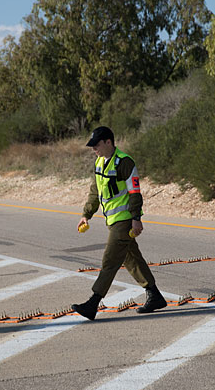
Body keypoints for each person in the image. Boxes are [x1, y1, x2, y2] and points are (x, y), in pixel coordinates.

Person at [72, 126, 167, 320]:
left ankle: (93, 303)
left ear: (108, 142)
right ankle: (154, 295)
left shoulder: (124, 162)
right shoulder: (99, 162)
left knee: (110, 260)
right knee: (131, 258)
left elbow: (134, 193)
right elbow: (95, 191)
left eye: (96, 145)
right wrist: (86, 214)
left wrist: (136, 219)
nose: (93, 149)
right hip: (112, 220)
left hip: (124, 220)